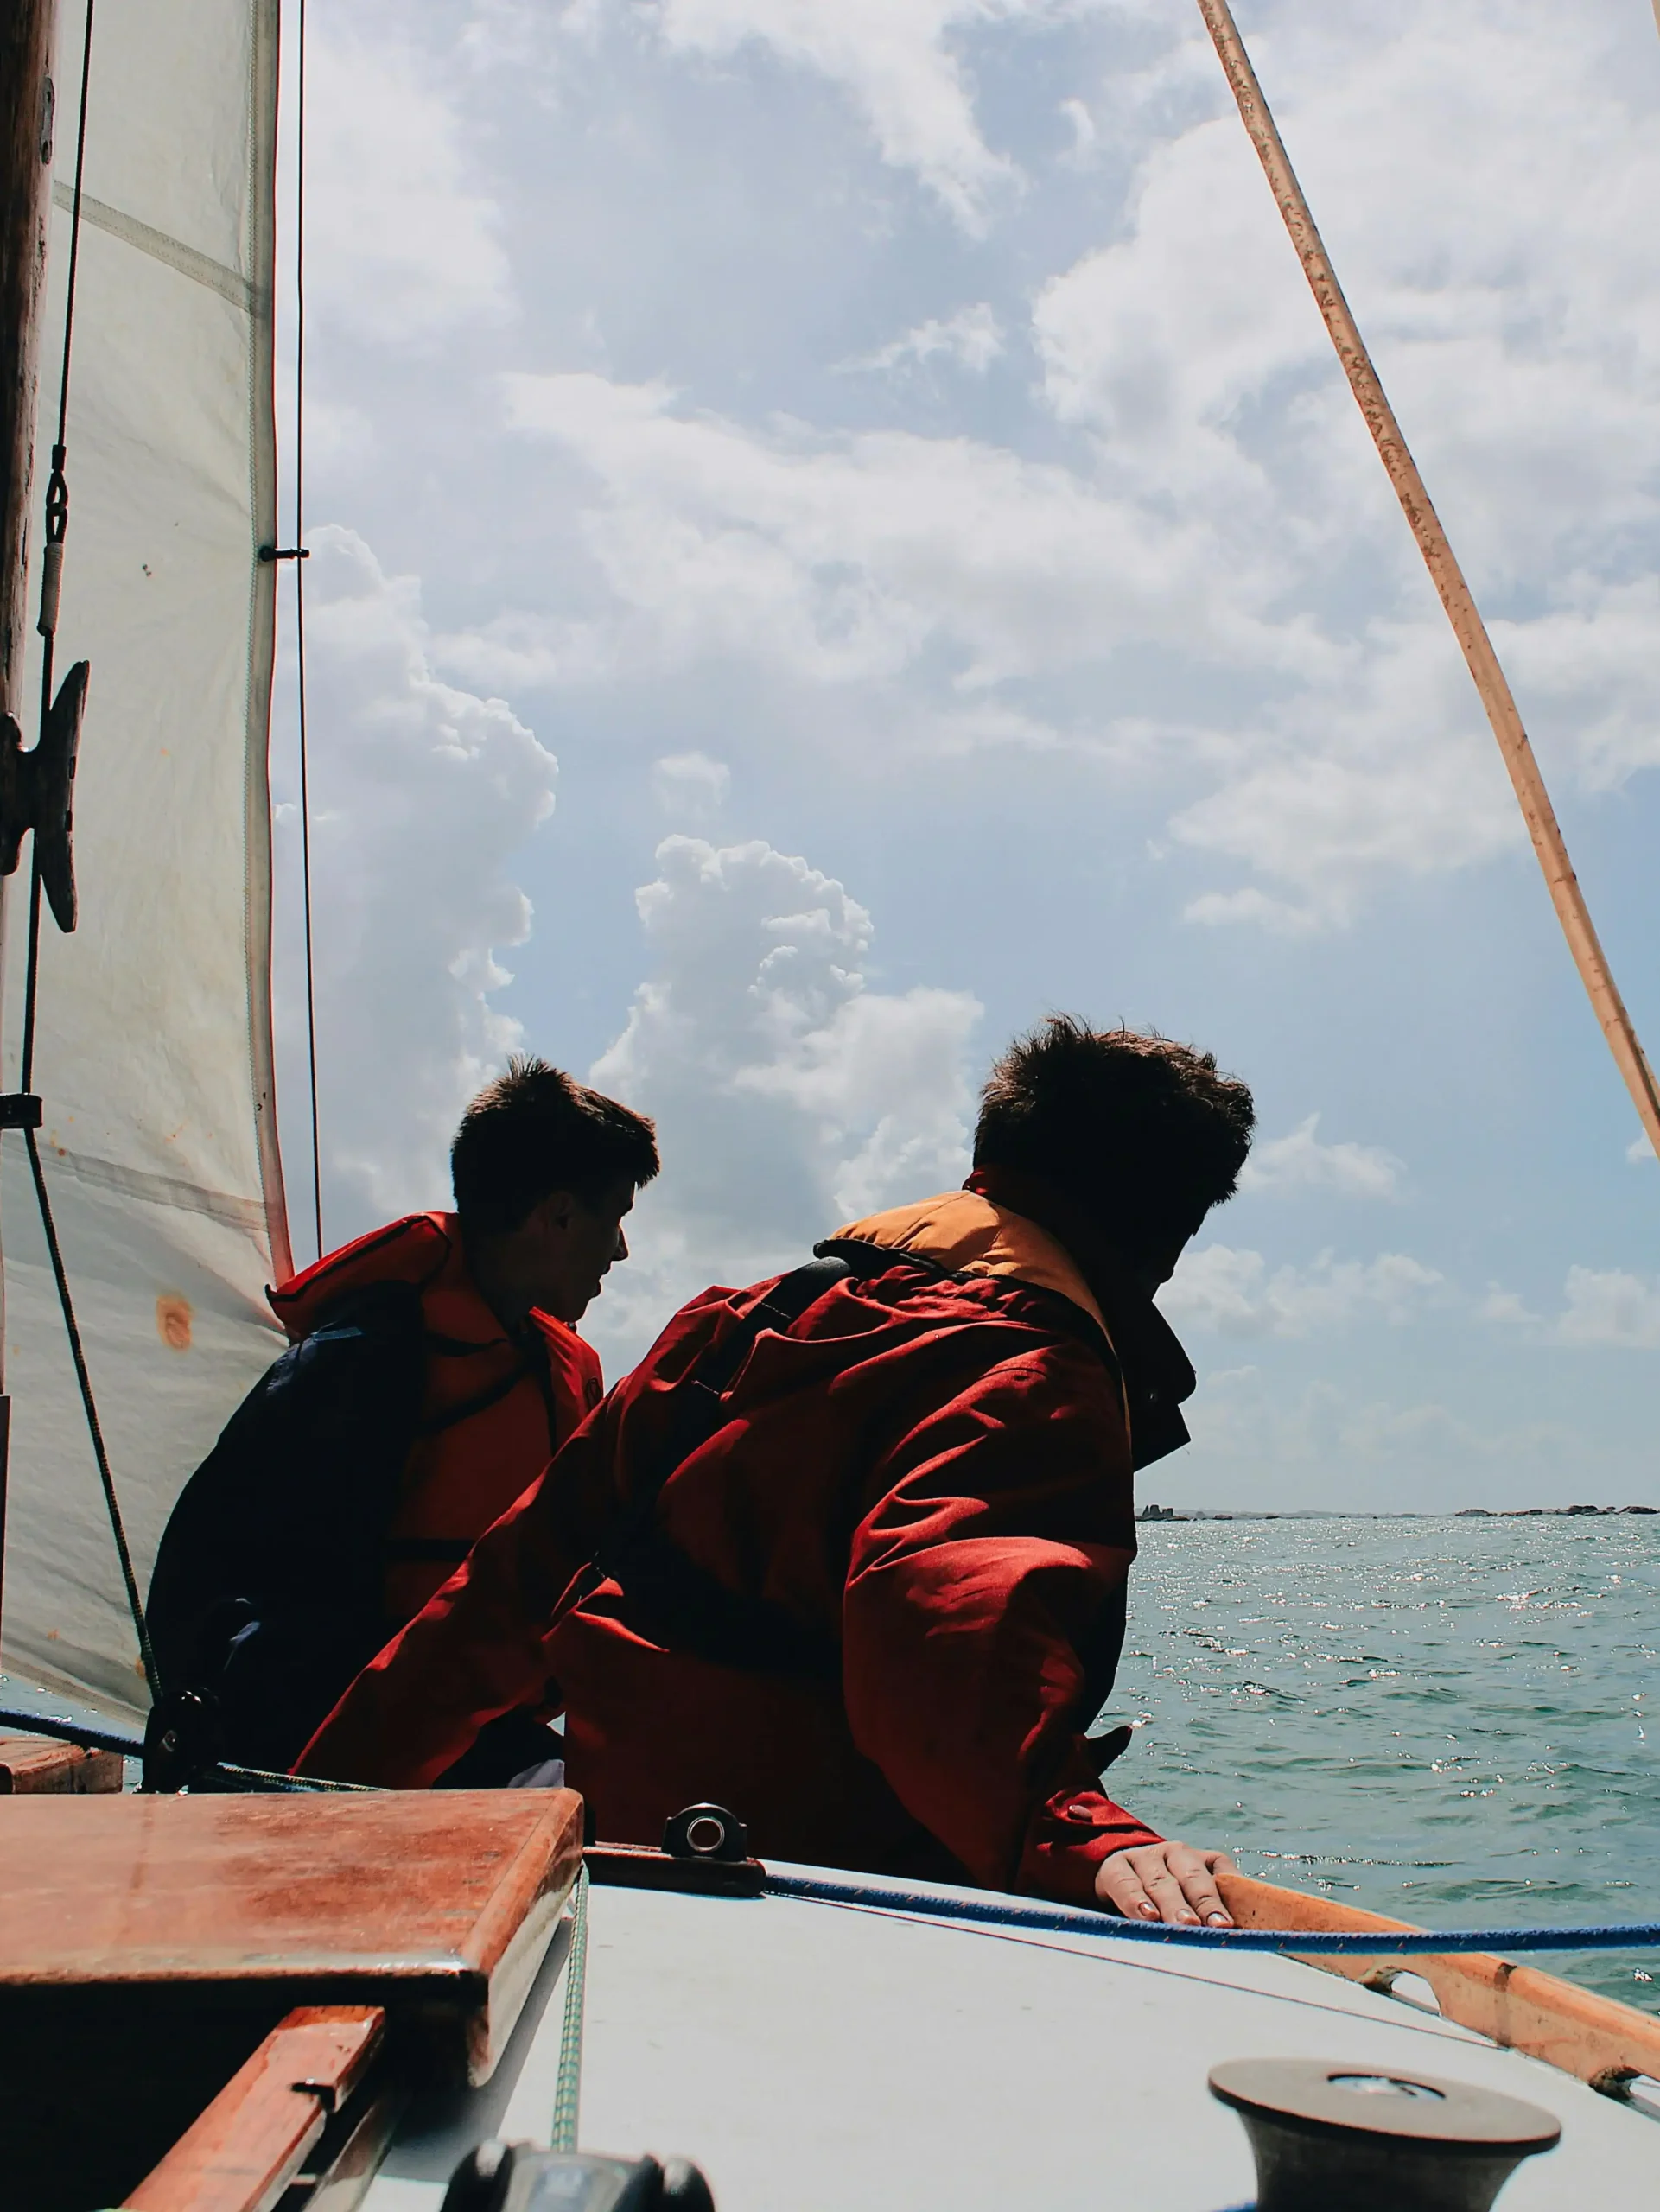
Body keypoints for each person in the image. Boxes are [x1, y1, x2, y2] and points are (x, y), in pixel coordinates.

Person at [296, 1019, 1253, 1928]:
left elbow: (504, 1589)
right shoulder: (1032, 1372)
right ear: (1164, 1234)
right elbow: (941, 1630)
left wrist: (315, 1806)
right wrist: (1079, 1835)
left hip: (625, 1857)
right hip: (814, 1900)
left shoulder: (744, 1319)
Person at [147, 1057, 658, 1775]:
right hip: (342, 1747)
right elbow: (219, 1587)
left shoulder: (562, 1370)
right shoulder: (366, 1360)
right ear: (559, 1216)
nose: (621, 1250)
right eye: (616, 1219)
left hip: (474, 1734)